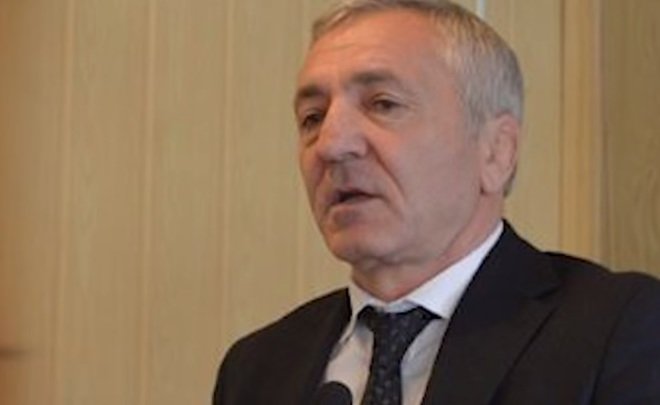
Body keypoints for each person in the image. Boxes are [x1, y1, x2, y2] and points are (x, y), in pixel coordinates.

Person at [213, 1, 660, 404]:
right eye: (312, 118)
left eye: (383, 104)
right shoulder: (255, 370)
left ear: (496, 151)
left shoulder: (618, 330)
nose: (331, 145)